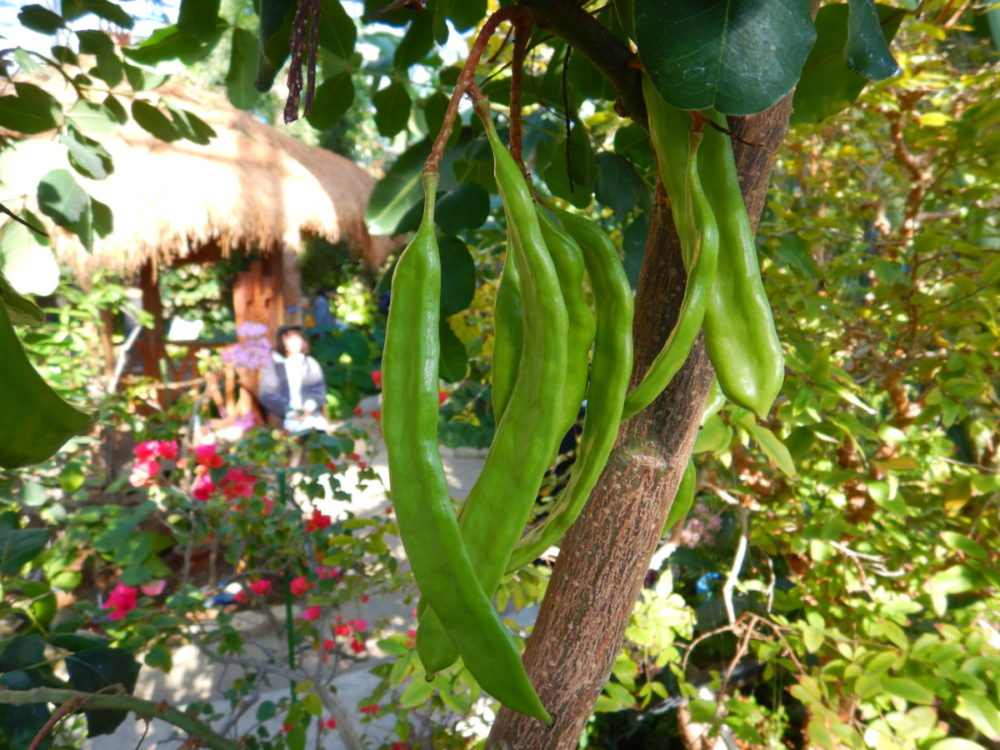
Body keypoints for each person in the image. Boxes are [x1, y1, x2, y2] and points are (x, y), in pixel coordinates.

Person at [258, 326, 329, 433]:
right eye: (289, 337)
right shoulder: (273, 366)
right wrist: (290, 412)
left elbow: (318, 391)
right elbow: (267, 395)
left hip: (309, 414)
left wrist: (308, 408)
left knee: (318, 435)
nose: (294, 342)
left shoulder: (310, 363)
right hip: (283, 417)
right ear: (281, 340)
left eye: (297, 337)